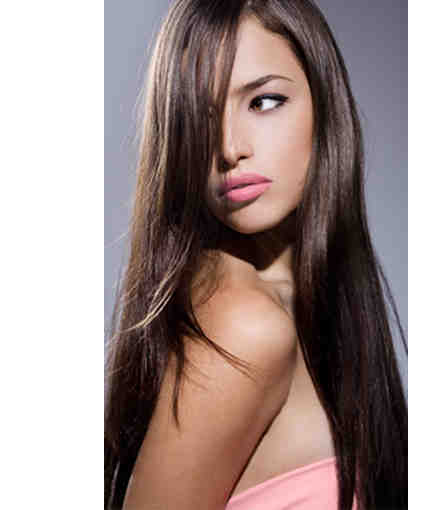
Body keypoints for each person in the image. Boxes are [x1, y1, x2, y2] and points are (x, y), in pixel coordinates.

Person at [104, 1, 407, 509]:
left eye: (263, 102)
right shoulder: (244, 326)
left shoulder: (309, 312)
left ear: (325, 103)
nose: (229, 147)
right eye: (198, 118)